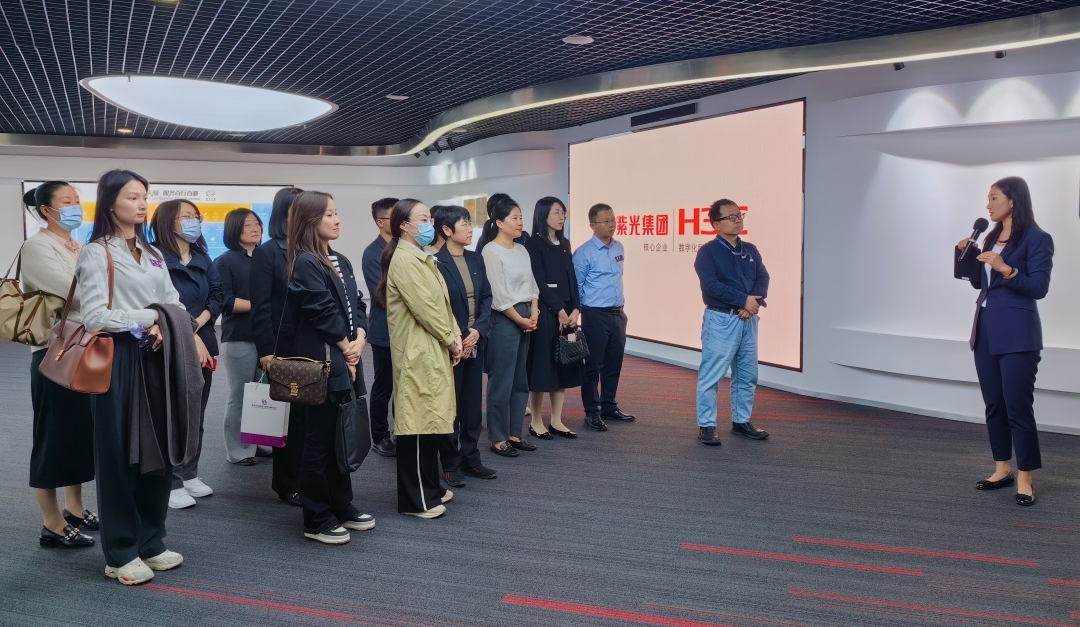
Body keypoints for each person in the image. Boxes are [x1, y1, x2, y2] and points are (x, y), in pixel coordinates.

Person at [76, 169, 199, 585]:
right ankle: (120, 552)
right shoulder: (96, 253)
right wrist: (153, 318)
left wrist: (164, 321)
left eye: (144, 196)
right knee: (117, 456)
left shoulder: (153, 252)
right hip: (118, 359)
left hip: (158, 356)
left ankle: (151, 541)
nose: (142, 203)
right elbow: (95, 316)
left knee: (158, 451)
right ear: (110, 203)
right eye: (132, 197)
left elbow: (174, 302)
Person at [281, 190, 374, 544]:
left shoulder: (341, 260)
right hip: (323, 363)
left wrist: (359, 338)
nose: (337, 220)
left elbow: (358, 305)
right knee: (317, 442)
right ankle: (316, 517)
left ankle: (341, 505)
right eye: (329, 214)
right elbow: (321, 311)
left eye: (336, 213)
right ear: (310, 220)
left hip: (345, 358)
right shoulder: (305, 262)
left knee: (340, 437)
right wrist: (347, 348)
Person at [955, 177, 1053, 506]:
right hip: (985, 330)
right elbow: (979, 284)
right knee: (994, 404)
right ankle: (1002, 468)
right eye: (988, 198)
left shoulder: (1038, 239)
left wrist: (1006, 268)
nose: (988, 204)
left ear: (1013, 201)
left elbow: (1038, 287)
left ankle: (1025, 477)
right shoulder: (989, 237)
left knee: (1017, 407)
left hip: (1018, 334)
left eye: (994, 198)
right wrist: (966, 256)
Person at [21, 182, 97, 549]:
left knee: (78, 433)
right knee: (52, 438)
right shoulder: (36, 247)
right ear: (46, 210)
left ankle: (75, 508)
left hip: (84, 350)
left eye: (77, 201)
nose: (75, 207)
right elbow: (76, 293)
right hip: (55, 354)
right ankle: (51, 523)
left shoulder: (78, 246)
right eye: (66, 201)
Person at [375, 199, 461, 518]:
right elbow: (426, 309)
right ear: (404, 226)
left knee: (431, 422)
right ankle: (416, 500)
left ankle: (431, 486)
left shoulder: (422, 255)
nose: (429, 225)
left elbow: (443, 306)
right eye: (423, 219)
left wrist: (454, 336)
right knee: (416, 425)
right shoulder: (404, 260)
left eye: (429, 219)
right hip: (417, 353)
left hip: (431, 349)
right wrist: (451, 339)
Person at [150, 200, 222, 509]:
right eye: (186, 217)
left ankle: (189, 471)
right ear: (169, 222)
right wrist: (189, 331)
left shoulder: (203, 257)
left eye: (196, 217)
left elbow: (218, 295)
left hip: (202, 339)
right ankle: (171, 481)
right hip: (170, 341)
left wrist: (198, 323)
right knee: (172, 414)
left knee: (196, 412)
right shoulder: (154, 256)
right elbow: (161, 302)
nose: (194, 222)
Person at [693, 199, 771, 446]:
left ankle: (741, 421)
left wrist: (751, 303)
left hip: (748, 318)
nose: (738, 221)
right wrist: (743, 300)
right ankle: (707, 425)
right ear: (716, 224)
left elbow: (763, 277)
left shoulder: (750, 249)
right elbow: (711, 286)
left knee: (747, 373)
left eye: (739, 216)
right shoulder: (707, 252)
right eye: (731, 217)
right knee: (712, 374)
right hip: (721, 319)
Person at [434, 206, 497, 486]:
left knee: (472, 406)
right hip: (451, 346)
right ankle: (450, 463)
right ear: (447, 230)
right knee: (452, 405)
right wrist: (459, 338)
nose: (471, 229)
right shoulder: (435, 262)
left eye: (471, 223)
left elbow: (487, 298)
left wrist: (476, 332)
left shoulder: (475, 258)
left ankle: (471, 458)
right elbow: (438, 307)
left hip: (474, 340)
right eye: (464, 224)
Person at [251, 186, 305, 507]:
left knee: (311, 416)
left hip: (313, 345)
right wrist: (266, 352)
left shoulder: (314, 248)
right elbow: (260, 309)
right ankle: (288, 484)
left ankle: (308, 477)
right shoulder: (268, 252)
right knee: (290, 419)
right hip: (282, 347)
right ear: (286, 213)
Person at [478, 195, 539, 457]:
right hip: (505, 318)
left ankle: (515, 433)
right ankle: (498, 437)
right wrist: (520, 319)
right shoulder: (490, 251)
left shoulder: (522, 249)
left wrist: (534, 312)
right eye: (515, 218)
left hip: (526, 314)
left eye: (521, 217)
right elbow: (499, 295)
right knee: (501, 380)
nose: (520, 222)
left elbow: (532, 285)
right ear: (499, 222)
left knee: (520, 379)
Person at [573, 203, 635, 431]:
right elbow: (577, 287)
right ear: (592, 225)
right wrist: (578, 314)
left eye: (613, 220)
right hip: (595, 314)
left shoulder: (619, 247)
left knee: (613, 363)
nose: (612, 225)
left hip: (618, 314)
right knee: (593, 366)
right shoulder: (584, 252)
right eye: (606, 221)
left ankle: (609, 405)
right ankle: (592, 411)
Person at [524, 197, 582, 439]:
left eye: (563, 213)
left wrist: (576, 309)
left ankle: (557, 420)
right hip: (547, 314)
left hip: (567, 314)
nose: (562, 217)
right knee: (542, 368)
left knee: (563, 366)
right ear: (543, 215)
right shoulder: (533, 244)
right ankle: (536, 421)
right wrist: (559, 310)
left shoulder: (565, 243)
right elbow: (538, 282)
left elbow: (573, 279)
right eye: (557, 213)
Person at [215, 209, 264, 466]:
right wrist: (263, 306)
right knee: (241, 393)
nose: (255, 229)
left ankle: (262, 441)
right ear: (234, 229)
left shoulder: (267, 257)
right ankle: (239, 450)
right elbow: (227, 302)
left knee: (265, 392)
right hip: (240, 336)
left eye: (257, 224)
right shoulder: (225, 261)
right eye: (248, 225)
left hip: (268, 335)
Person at [362, 197, 398, 458]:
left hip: (409, 331)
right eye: (395, 217)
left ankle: (402, 432)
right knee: (384, 386)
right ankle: (380, 436)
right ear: (380, 222)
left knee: (406, 386)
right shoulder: (373, 252)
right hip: (385, 331)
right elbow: (383, 294)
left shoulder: (406, 247)